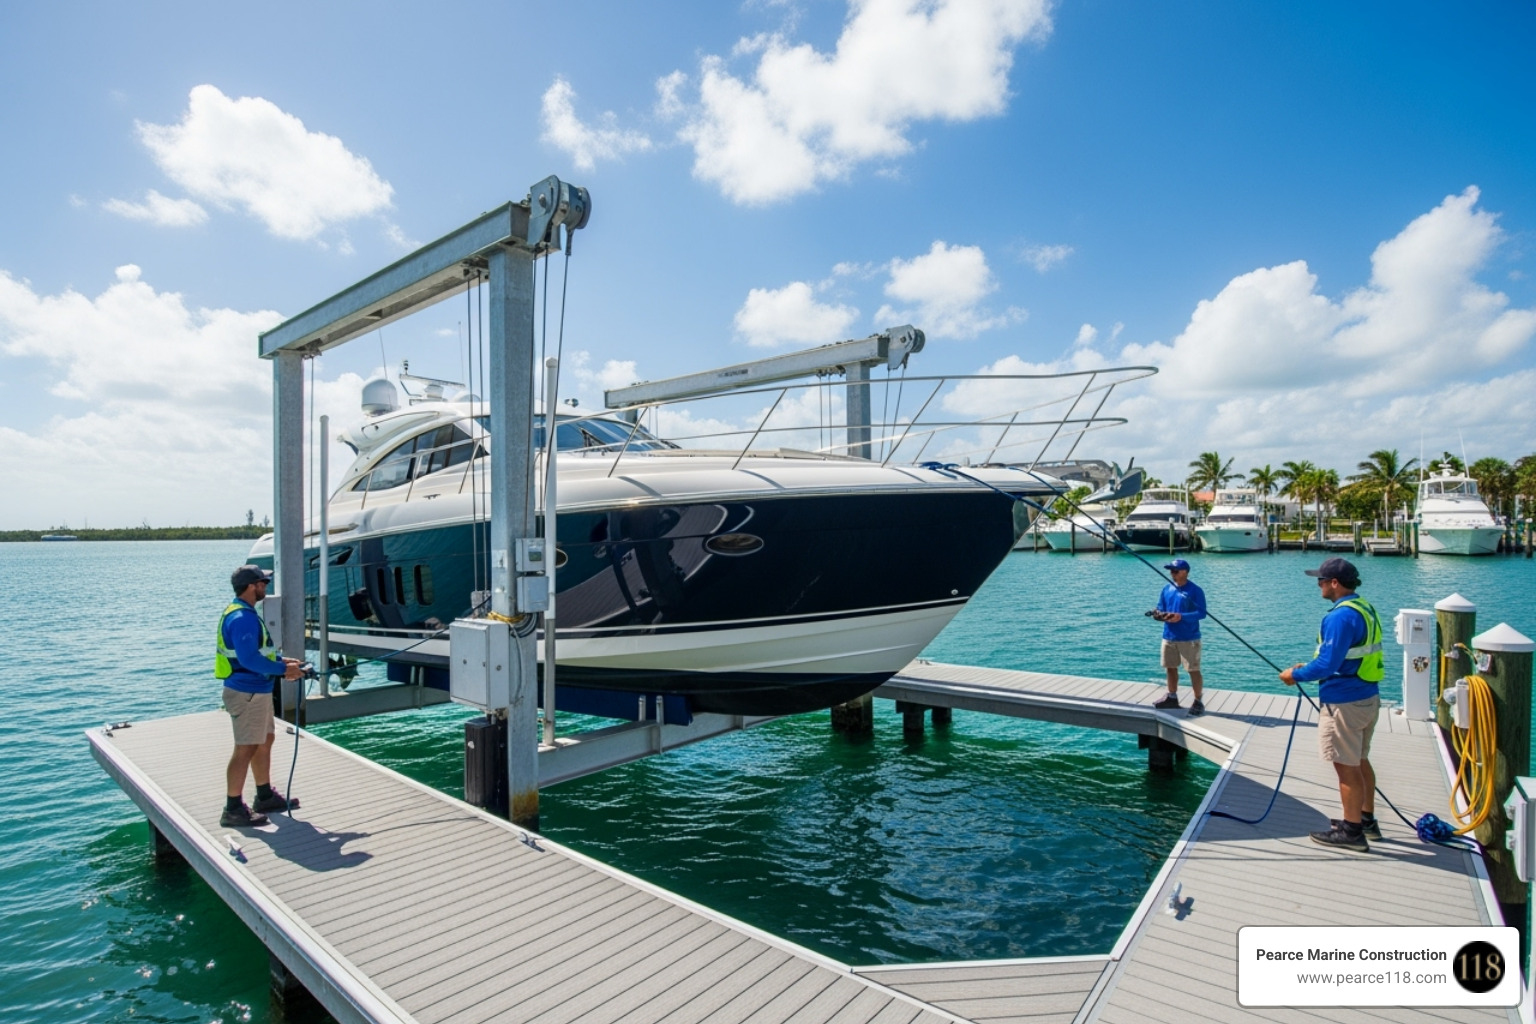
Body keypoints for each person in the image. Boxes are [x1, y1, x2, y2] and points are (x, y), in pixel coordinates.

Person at [1280, 557, 1384, 852]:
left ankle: (1352, 833)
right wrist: (1311, 666)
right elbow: (1344, 655)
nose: (1319, 585)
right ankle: (1365, 820)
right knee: (1360, 760)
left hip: (1344, 703)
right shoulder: (1363, 608)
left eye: (1321, 581)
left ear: (1334, 584)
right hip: (1367, 696)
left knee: (1346, 767)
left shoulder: (1338, 617)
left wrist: (1295, 675)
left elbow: (1328, 664)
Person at [217, 564, 304, 827]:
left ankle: (264, 796)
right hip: (247, 693)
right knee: (245, 748)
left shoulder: (245, 613)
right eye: (262, 583)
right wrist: (282, 670)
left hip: (258, 691)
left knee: (264, 740)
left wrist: (281, 661)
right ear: (250, 586)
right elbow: (248, 659)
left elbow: (258, 654)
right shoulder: (242, 617)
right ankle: (232, 809)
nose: (265, 586)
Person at [1150, 558, 1207, 715]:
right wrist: (1158, 614)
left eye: (1175, 571)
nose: (1172, 574)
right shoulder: (1166, 589)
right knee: (1170, 668)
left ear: (1185, 572)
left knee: (1193, 670)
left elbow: (1202, 613)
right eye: (1171, 571)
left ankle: (1198, 701)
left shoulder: (1195, 591)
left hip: (1189, 638)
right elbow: (1161, 607)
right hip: (1169, 636)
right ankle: (1172, 697)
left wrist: (1181, 617)